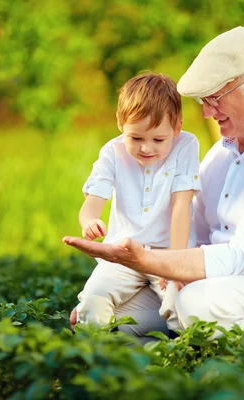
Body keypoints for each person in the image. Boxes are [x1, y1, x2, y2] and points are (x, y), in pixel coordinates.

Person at [64, 26, 244, 347]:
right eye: (203, 101)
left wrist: (148, 261)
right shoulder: (220, 155)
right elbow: (194, 234)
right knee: (110, 322)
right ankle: (182, 356)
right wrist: (116, 291)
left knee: (195, 302)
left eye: (215, 99)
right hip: (222, 293)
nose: (206, 112)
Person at [69, 72, 201, 334]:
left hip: (168, 252)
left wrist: (174, 266)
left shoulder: (186, 144)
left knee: (183, 310)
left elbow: (180, 207)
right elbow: (92, 204)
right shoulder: (112, 152)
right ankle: (101, 363)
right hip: (122, 254)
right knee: (92, 303)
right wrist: (90, 222)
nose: (146, 148)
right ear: (121, 124)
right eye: (136, 138)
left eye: (158, 139)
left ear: (177, 127)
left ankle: (178, 363)